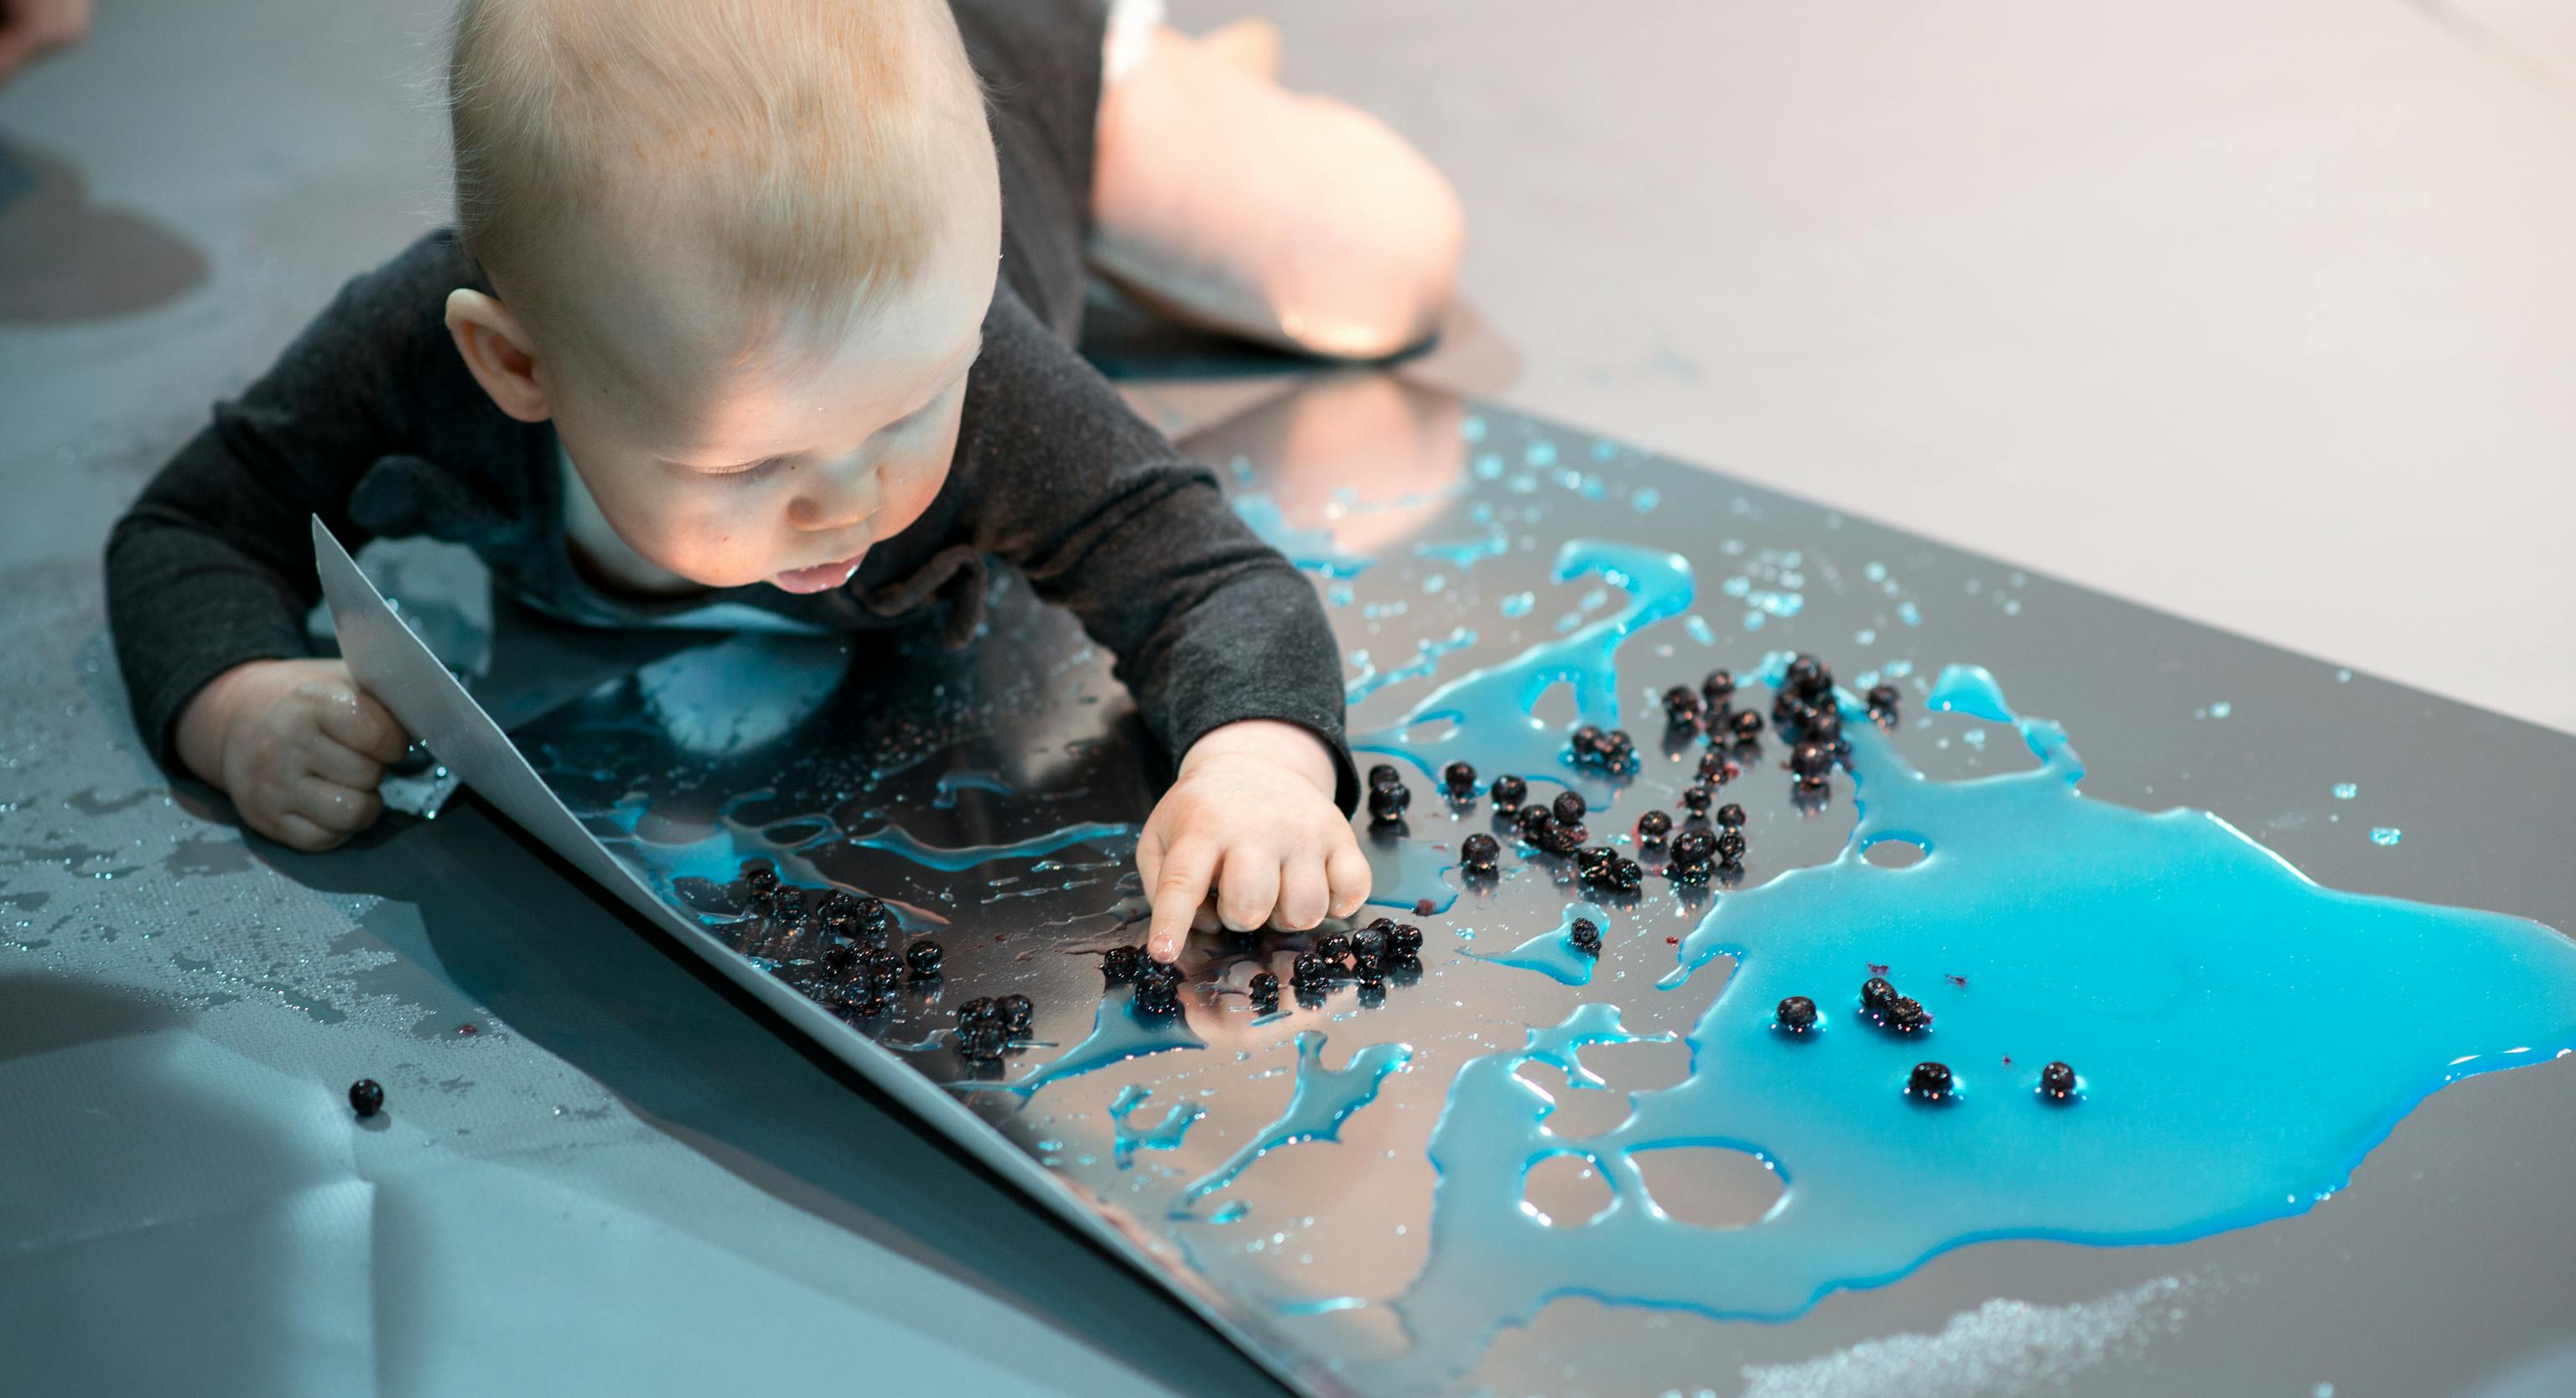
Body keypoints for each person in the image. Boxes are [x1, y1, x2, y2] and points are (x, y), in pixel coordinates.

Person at [102, 0, 1463, 961]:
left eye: (905, 408)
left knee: (1379, 266)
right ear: (518, 365)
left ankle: (1149, 84)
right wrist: (235, 703)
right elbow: (190, 525)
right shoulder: (419, 351)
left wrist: (1262, 764)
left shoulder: (988, 373)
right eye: (752, 461)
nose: (847, 503)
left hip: (1019, 53)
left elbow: (1208, 578)